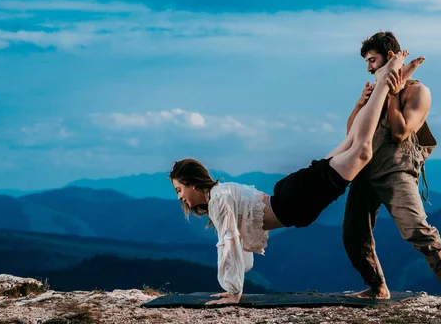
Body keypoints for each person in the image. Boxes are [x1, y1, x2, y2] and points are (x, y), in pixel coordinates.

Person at [169, 51, 425, 305]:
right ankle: (391, 79)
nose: (180, 196)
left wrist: (234, 291)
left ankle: (388, 79)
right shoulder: (221, 193)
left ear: (193, 183)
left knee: (361, 149)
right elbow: (235, 245)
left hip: (295, 201)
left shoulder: (217, 200)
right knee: (353, 145)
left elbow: (229, 243)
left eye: (180, 189)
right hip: (293, 197)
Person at [342, 31, 441, 311]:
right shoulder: (375, 89)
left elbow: (400, 132)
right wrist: (361, 104)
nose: (369, 68)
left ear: (390, 58)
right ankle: (378, 288)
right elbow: (351, 135)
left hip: (397, 171)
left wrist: (393, 96)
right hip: (365, 170)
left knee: (417, 229)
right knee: (354, 235)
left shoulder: (418, 91)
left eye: (373, 60)